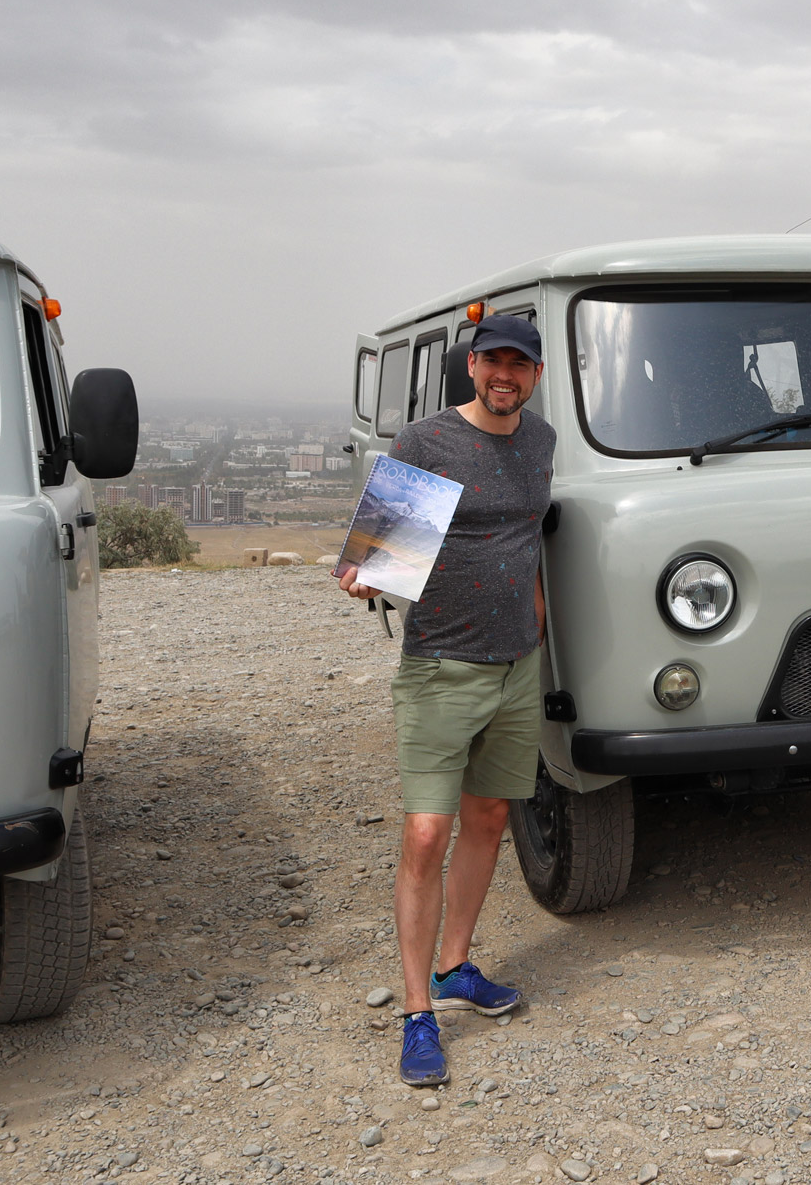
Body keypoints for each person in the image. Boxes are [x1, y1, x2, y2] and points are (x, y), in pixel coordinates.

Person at [338, 313, 555, 1086]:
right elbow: (377, 558)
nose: (506, 375)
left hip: (517, 666)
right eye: (494, 360)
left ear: (534, 373)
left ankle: (458, 964)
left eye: (520, 364)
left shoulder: (542, 441)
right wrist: (365, 571)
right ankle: (417, 1010)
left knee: (490, 816)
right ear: (473, 366)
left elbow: (528, 537)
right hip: (440, 664)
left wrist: (531, 621)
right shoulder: (427, 442)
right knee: (428, 833)